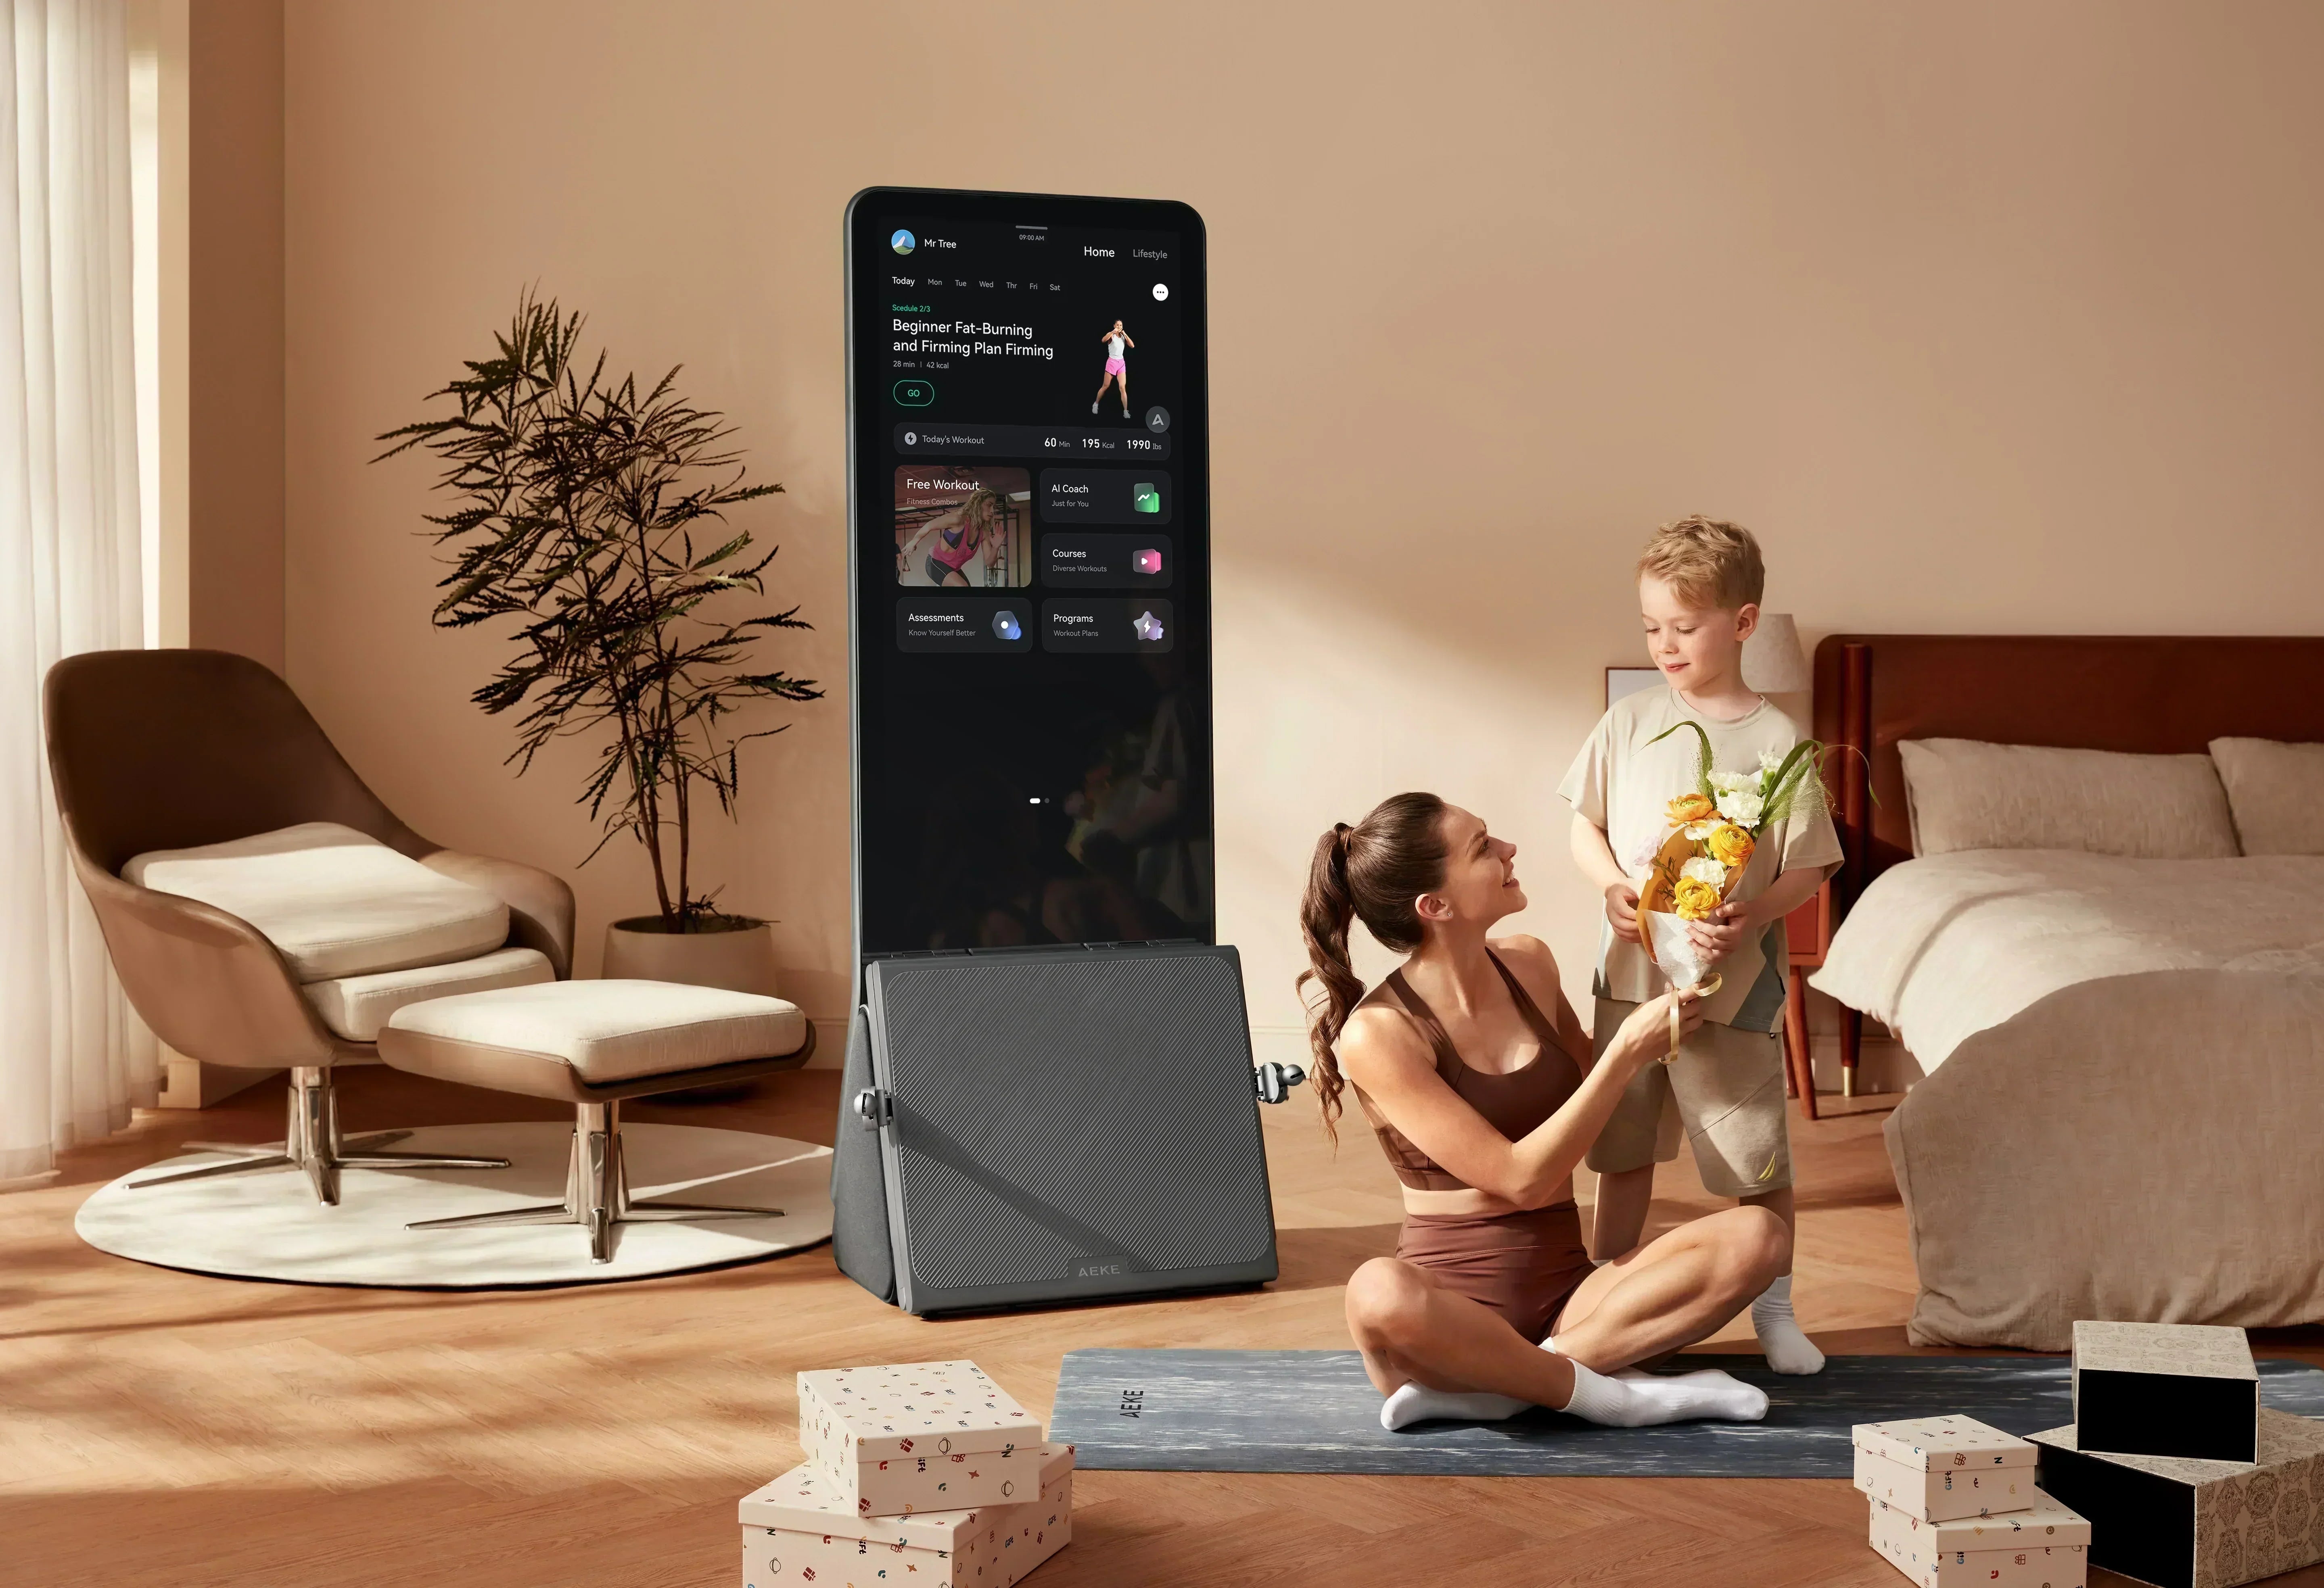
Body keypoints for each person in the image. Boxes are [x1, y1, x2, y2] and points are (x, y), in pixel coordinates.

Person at [1304, 793, 1791, 1431]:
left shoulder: (1529, 962)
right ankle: (1613, 1397)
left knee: (1760, 1237)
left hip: (1572, 1299)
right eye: (1483, 847)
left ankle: (1519, 1384)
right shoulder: (1380, 1033)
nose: (1508, 850)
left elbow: (1598, 1098)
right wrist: (1625, 1053)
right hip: (1453, 1314)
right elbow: (1520, 1178)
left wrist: (1676, 956)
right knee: (1376, 1288)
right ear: (1436, 906)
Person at [1560, 515, 1843, 1376]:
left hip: (1732, 989)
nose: (1665, 644)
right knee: (1624, 1149)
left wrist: (1756, 913)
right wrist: (1611, 887)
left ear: (1743, 624)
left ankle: (1777, 1312)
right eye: (1653, 627)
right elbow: (1586, 826)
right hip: (1633, 980)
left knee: (1754, 1154)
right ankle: (1602, 1295)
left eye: (1685, 627)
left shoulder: (1779, 742)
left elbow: (1810, 870)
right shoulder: (1630, 721)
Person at [910, 488, 1005, 587]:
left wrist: (996, 548)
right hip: (935, 563)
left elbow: (990, 564)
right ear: (978, 503)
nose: (993, 511)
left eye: (994, 507)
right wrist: (913, 542)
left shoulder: (984, 533)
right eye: (989, 505)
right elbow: (929, 526)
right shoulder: (958, 519)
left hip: (954, 568)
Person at [1091, 320, 1134, 417]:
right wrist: (1113, 332)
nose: (1119, 326)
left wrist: (1125, 334)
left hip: (1121, 363)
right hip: (1112, 362)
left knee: (1123, 388)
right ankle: (1096, 404)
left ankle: (1126, 412)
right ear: (1114, 326)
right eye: (1118, 325)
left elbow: (1132, 346)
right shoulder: (1112, 335)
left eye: (1121, 325)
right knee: (1106, 386)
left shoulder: (1123, 336)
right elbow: (1103, 340)